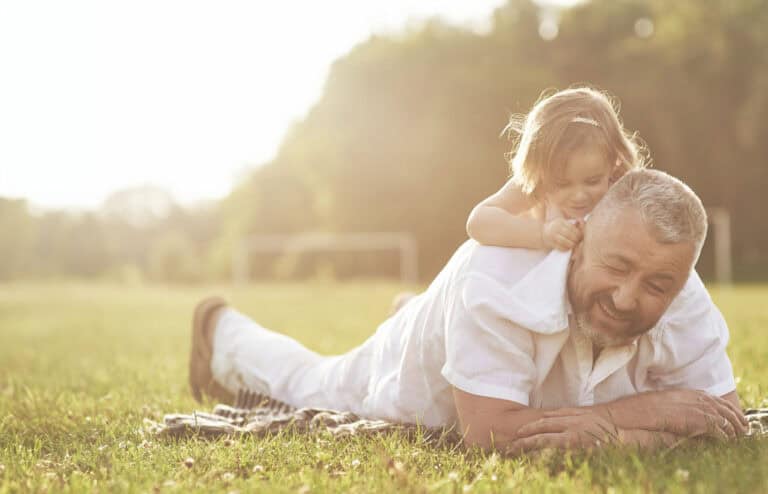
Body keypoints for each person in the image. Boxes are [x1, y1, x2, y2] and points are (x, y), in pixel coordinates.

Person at [189, 169, 747, 453]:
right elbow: (491, 433)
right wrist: (647, 416)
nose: (628, 297)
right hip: (417, 383)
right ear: (578, 239)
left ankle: (420, 312)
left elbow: (724, 423)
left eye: (655, 285)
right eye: (616, 267)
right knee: (314, 380)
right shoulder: (497, 279)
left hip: (484, 340)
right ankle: (223, 331)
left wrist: (603, 432)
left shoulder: (679, 285)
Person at [466, 87, 646, 251]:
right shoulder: (536, 184)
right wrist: (543, 234)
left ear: (614, 161)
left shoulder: (625, 188)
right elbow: (478, 222)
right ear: (539, 170)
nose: (579, 196)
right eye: (561, 184)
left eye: (592, 181)